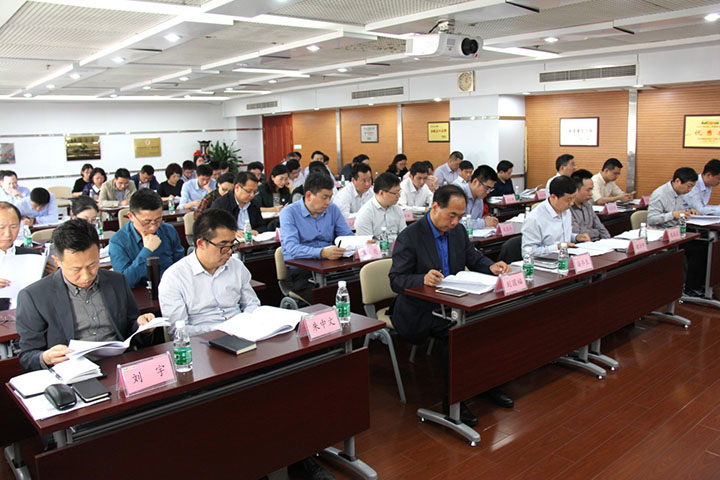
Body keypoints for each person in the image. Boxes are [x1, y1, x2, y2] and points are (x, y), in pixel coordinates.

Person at [389, 185, 513, 425]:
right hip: (419, 308)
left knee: (488, 321)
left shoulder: (457, 231)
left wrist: (491, 266)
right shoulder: (410, 236)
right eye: (452, 216)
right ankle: (454, 400)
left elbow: (473, 258)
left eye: (460, 216)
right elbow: (396, 280)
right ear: (435, 207)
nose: (456, 222)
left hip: (454, 302)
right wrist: (422, 279)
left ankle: (487, 384)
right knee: (457, 331)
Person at [16, 219, 155, 372]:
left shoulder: (117, 281)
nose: (86, 276)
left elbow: (131, 330)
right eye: (76, 269)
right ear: (57, 261)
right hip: (71, 372)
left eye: (92, 265)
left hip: (119, 365)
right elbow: (27, 357)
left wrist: (142, 326)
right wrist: (45, 358)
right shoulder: (34, 297)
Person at [159, 208, 260, 336]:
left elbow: (252, 304)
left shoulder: (236, 266)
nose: (229, 251)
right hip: (202, 340)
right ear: (201, 243)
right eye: (223, 245)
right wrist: (222, 328)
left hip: (241, 333)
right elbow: (178, 330)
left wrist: (245, 320)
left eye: (232, 244)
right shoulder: (174, 277)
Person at [280, 173, 353, 301]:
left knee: (354, 287)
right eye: (324, 197)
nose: (328, 202)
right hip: (301, 270)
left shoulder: (332, 209)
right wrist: (322, 252)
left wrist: (359, 243)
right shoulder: (289, 213)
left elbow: (347, 236)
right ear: (309, 195)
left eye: (330, 197)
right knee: (326, 298)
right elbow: (291, 248)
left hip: (330, 265)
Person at [108, 189, 184, 288]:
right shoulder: (117, 242)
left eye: (158, 220)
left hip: (171, 289)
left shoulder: (169, 231)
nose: (153, 227)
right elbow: (125, 282)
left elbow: (181, 268)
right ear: (130, 216)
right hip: (138, 294)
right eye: (146, 222)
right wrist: (147, 251)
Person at [648, 167, 703, 296]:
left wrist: (687, 212)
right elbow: (651, 219)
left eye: (692, 187)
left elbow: (678, 213)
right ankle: (689, 288)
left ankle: (693, 285)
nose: (690, 190)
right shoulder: (660, 194)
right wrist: (673, 215)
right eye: (689, 186)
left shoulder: (679, 194)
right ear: (678, 181)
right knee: (698, 250)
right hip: (661, 235)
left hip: (675, 233)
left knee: (703, 245)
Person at [523, 175, 591, 256]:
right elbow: (528, 252)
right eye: (569, 199)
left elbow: (563, 237)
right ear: (554, 197)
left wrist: (576, 237)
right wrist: (556, 247)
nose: (572, 203)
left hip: (565, 257)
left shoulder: (566, 211)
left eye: (574, 198)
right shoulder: (534, 218)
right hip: (546, 261)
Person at [0, 202, 43, 311]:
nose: (8, 234)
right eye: (1, 227)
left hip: (25, 315)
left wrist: (51, 275)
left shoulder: (33, 257)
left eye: (13, 227)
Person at [355, 172, 407, 238]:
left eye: (399, 192)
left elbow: (404, 236)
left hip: (397, 244)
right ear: (381, 193)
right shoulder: (365, 213)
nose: (399, 196)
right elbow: (367, 242)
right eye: (395, 193)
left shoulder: (397, 209)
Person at [570, 169, 610, 241]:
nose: (591, 193)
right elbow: (578, 233)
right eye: (588, 190)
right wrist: (596, 232)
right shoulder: (568, 208)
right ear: (576, 190)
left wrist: (609, 242)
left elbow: (601, 228)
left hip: (597, 243)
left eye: (592, 190)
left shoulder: (587, 206)